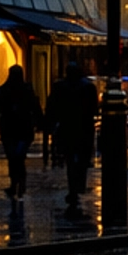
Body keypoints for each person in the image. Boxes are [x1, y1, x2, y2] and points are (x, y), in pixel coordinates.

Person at [45, 62, 99, 216]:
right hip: (84, 129)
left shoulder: (60, 87)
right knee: (82, 161)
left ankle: (73, 189)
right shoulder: (88, 87)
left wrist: (51, 123)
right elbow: (94, 108)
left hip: (67, 128)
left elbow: (52, 107)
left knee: (70, 161)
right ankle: (78, 186)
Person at [0, 63, 43, 201]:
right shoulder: (26, 89)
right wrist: (39, 122)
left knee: (13, 157)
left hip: (10, 129)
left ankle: (15, 183)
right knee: (18, 157)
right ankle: (19, 182)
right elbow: (35, 107)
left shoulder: (4, 90)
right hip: (22, 128)